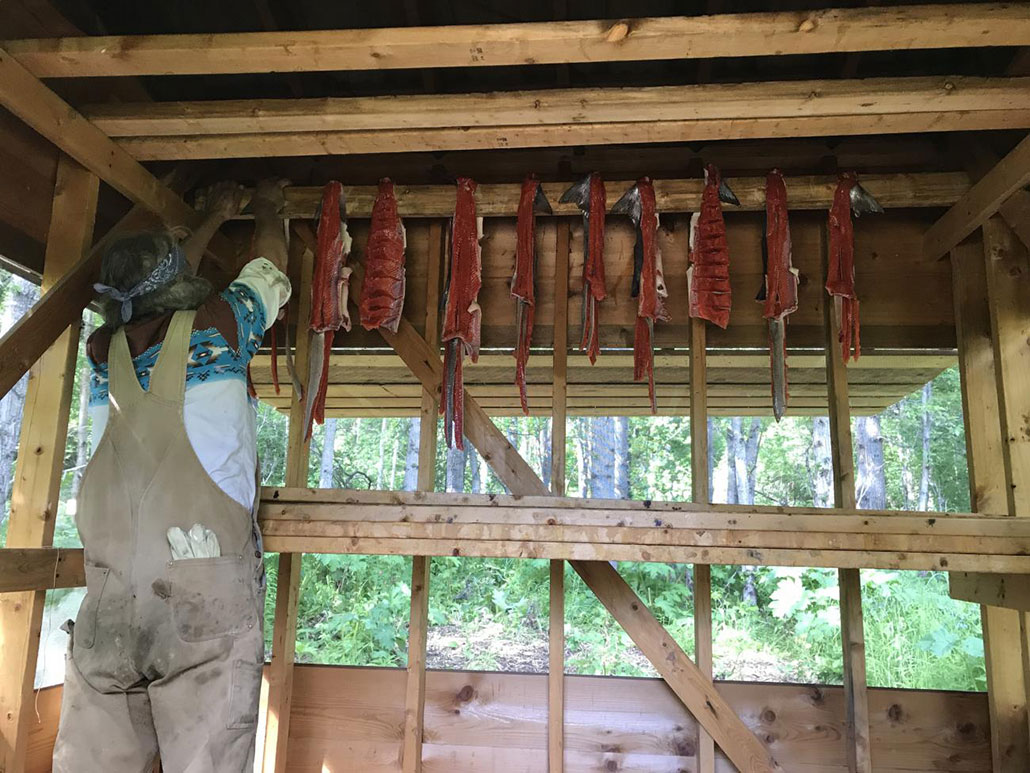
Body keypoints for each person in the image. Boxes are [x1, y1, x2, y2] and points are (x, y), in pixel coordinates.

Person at [53, 179, 292, 772]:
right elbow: (270, 267)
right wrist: (267, 206)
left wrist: (212, 216)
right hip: (201, 600)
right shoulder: (222, 324)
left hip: (108, 601)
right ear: (179, 284)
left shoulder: (101, 349)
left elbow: (151, 288)